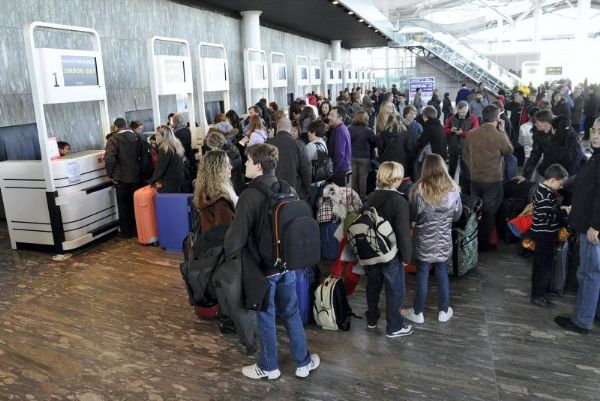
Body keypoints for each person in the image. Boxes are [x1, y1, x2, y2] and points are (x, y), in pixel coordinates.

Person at [223, 143, 320, 380]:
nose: (243, 165)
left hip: (263, 268)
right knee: (291, 312)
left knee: (266, 314)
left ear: (257, 165)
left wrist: (228, 258)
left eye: (246, 161)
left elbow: (236, 237)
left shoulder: (249, 195)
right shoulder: (288, 188)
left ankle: (268, 366)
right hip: (288, 263)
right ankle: (303, 362)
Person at [402, 154, 462, 324]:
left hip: (422, 240)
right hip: (444, 239)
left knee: (422, 273)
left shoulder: (417, 190)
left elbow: (412, 216)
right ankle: (444, 310)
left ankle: (418, 312)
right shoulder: (453, 190)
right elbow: (457, 216)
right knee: (442, 272)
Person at [555, 118, 600, 334]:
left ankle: (582, 320)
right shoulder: (596, 156)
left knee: (589, 273)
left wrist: (596, 226)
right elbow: (584, 183)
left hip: (592, 228)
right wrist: (562, 183)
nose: (596, 134)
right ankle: (594, 312)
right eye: (594, 129)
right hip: (586, 221)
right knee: (592, 272)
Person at [362, 161, 414, 338]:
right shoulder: (399, 201)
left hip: (371, 250)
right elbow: (403, 233)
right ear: (397, 179)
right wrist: (407, 257)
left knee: (373, 286)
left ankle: (372, 318)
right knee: (395, 290)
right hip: (391, 253)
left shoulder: (370, 197)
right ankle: (394, 327)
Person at [462, 104, 514, 251]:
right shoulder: (497, 135)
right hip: (492, 179)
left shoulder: (471, 134)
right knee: (489, 212)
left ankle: (471, 238)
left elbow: (465, 157)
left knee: (475, 209)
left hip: (475, 178)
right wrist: (503, 131)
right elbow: (509, 150)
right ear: (497, 118)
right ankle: (483, 244)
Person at [529, 164, 569, 307]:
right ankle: (538, 296)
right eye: (560, 183)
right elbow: (546, 216)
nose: (561, 186)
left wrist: (558, 209)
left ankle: (538, 292)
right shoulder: (545, 195)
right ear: (552, 180)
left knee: (539, 265)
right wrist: (564, 212)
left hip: (541, 234)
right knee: (544, 266)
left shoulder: (540, 190)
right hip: (545, 235)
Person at [104, 118, 143, 237]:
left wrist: (111, 174)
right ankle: (139, 229)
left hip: (122, 178)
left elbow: (109, 159)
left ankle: (127, 232)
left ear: (116, 127)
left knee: (123, 205)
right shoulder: (136, 137)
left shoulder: (113, 139)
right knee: (136, 204)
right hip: (137, 176)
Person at [193, 150, 237, 234]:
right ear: (217, 169)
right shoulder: (220, 200)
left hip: (208, 242)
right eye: (226, 165)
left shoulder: (206, 191)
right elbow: (227, 232)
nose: (231, 167)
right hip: (219, 245)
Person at [267, 118, 312, 199]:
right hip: (293, 190)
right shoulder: (298, 144)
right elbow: (306, 169)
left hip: (271, 190)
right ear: (290, 129)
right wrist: (306, 190)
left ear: (277, 127)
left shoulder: (267, 143)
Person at [534, 115, 583, 179]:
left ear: (555, 130)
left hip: (558, 182)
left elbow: (543, 169)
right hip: (573, 179)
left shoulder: (555, 148)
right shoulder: (575, 142)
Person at [445, 101, 479, 179]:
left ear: (468, 109)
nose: (462, 115)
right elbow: (444, 131)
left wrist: (462, 133)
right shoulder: (451, 118)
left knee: (465, 170)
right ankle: (450, 185)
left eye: (464, 112)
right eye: (460, 113)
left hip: (466, 149)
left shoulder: (473, 119)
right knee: (451, 169)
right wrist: (451, 130)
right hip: (453, 148)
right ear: (457, 110)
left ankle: (464, 188)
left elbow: (475, 134)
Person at [148, 125, 185, 193]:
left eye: (157, 135)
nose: (155, 137)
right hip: (178, 179)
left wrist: (151, 181)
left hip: (169, 182)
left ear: (163, 136)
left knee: (167, 202)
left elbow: (160, 168)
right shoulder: (176, 145)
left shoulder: (165, 148)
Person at [349, 111, 376, 199]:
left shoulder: (350, 128)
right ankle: (362, 198)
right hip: (364, 157)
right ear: (366, 119)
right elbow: (375, 142)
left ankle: (353, 197)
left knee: (353, 178)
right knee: (363, 179)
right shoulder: (368, 130)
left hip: (352, 156)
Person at [376, 101, 409, 171]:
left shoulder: (397, 117)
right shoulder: (380, 118)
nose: (391, 108)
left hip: (395, 149)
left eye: (392, 106)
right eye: (388, 106)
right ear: (383, 108)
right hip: (386, 149)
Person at [326, 106, 352, 187]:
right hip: (341, 169)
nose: (329, 117)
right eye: (329, 114)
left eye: (332, 115)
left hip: (339, 171)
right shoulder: (338, 128)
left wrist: (333, 171)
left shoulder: (340, 130)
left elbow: (339, 153)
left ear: (340, 118)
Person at [403, 105, 423, 180]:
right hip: (403, 154)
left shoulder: (418, 126)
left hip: (415, 154)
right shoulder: (400, 125)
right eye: (410, 113)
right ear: (405, 114)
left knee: (415, 175)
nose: (412, 115)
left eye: (414, 113)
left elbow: (421, 140)